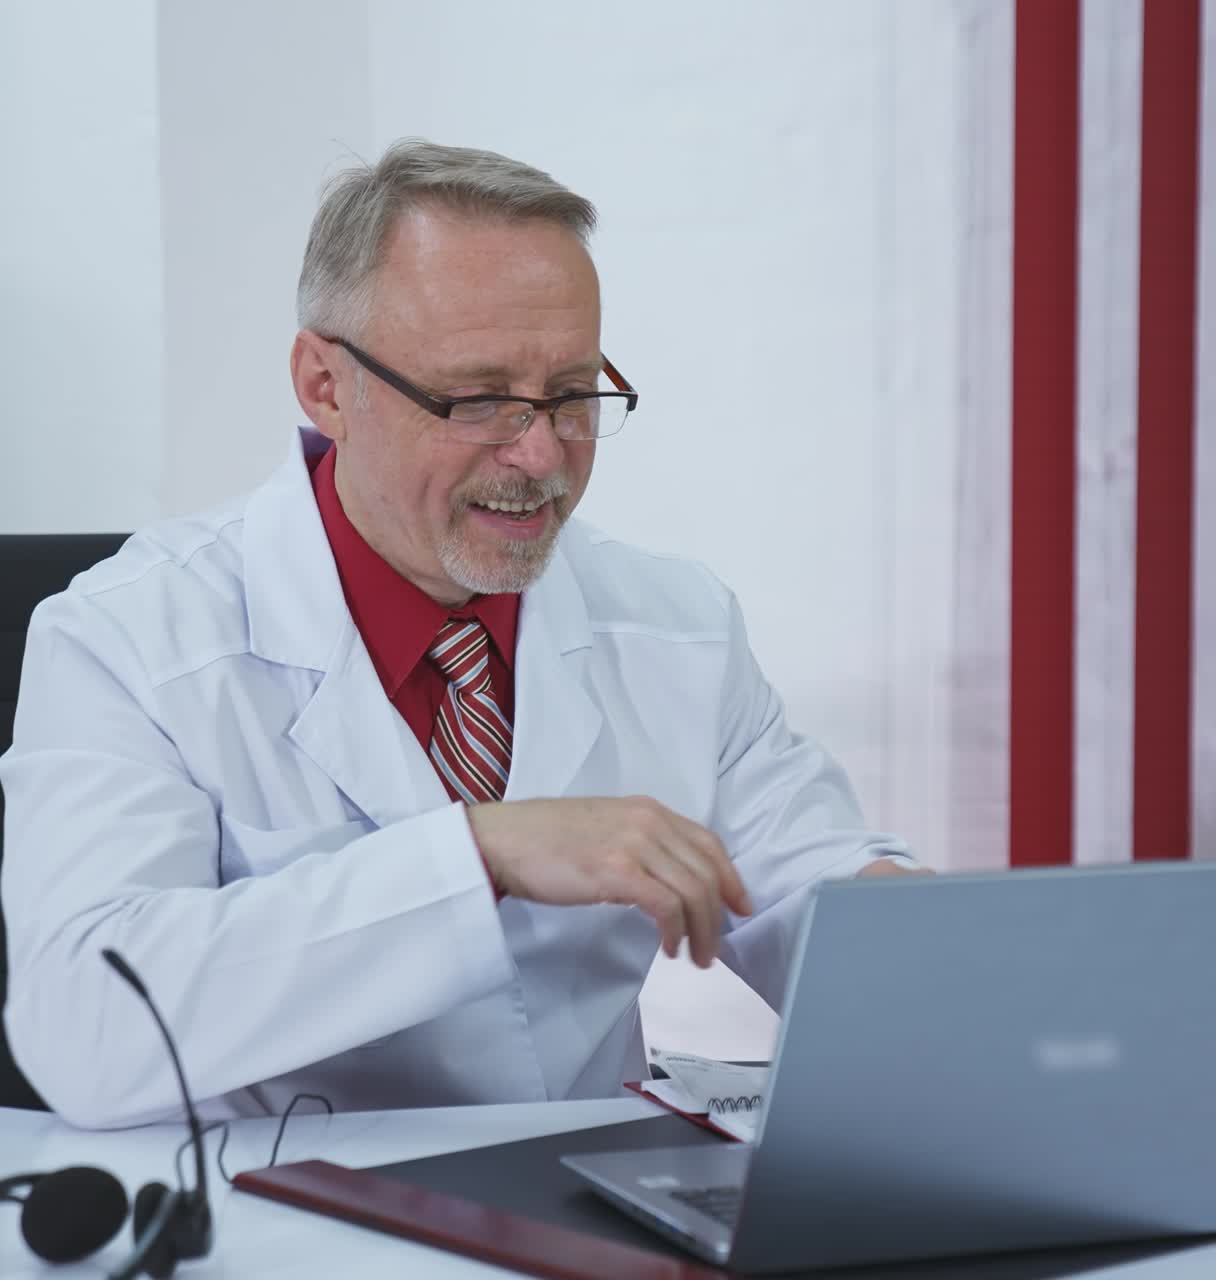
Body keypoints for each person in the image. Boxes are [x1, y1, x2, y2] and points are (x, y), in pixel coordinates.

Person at [0, 140, 919, 1129]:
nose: (538, 454)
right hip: (275, 1216)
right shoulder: (125, 637)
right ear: (323, 385)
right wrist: (478, 851)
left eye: (570, 394)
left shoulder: (675, 623)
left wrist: (939, 947)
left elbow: (810, 890)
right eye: (476, 398)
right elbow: (85, 1032)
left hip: (580, 1211)